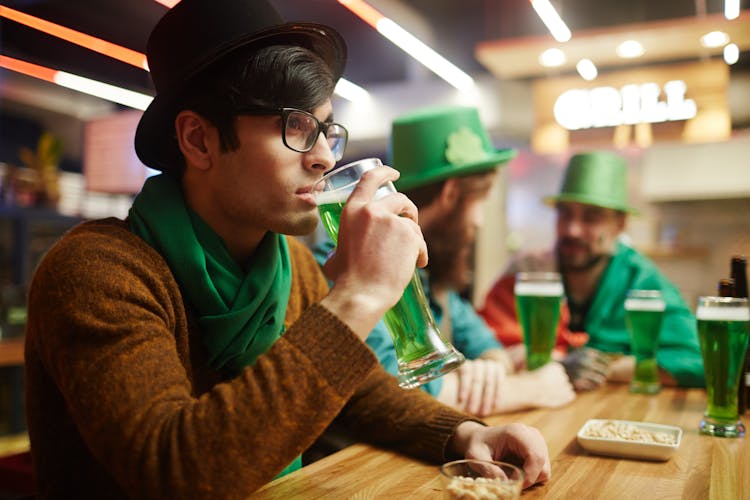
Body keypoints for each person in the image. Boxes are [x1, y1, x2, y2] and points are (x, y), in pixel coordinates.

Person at [23, 1, 550, 497]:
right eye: (295, 127)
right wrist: (358, 296)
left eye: (326, 130)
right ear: (199, 141)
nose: (323, 156)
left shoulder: (289, 263)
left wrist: (462, 434)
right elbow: (176, 469)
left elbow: (362, 395)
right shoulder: (96, 271)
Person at [315, 106, 575, 417]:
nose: (479, 223)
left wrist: (488, 371)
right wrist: (527, 389)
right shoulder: (341, 266)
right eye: (479, 204)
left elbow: (488, 347)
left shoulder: (433, 277)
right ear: (451, 194)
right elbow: (385, 389)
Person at [478, 151, 705, 390]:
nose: (572, 230)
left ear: (620, 225)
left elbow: (696, 362)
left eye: (591, 218)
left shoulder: (641, 280)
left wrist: (602, 368)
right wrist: (565, 364)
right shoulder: (525, 272)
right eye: (565, 213)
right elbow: (480, 344)